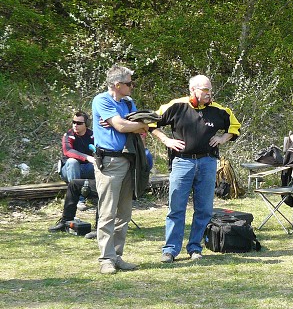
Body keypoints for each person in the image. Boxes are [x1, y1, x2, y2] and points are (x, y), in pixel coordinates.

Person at [150, 74, 241, 263]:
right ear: (193, 90)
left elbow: (235, 127)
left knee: (204, 209)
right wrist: (166, 140)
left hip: (208, 163)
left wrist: (222, 138)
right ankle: (170, 250)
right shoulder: (176, 106)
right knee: (176, 208)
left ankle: (195, 248)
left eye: (210, 90)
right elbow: (150, 123)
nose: (209, 93)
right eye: (205, 90)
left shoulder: (219, 110)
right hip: (182, 162)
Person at [92, 64, 149, 275]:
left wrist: (128, 124)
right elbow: (122, 126)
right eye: (129, 83)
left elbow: (145, 126)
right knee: (107, 212)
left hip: (129, 160)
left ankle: (117, 256)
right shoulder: (102, 100)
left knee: (124, 212)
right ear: (117, 85)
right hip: (109, 162)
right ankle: (106, 259)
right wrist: (125, 124)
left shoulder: (128, 102)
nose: (132, 86)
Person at [60, 111, 95, 210]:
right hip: (68, 170)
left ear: (86, 124)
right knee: (72, 162)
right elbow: (68, 151)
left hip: (85, 168)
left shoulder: (92, 135)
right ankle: (78, 199)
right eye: (74, 122)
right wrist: (87, 157)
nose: (75, 125)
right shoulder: (68, 135)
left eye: (79, 123)